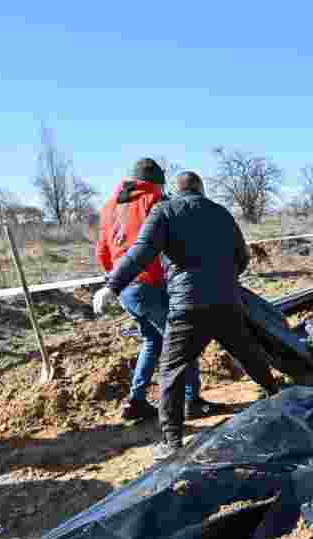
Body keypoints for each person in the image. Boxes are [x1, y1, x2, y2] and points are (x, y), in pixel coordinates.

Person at [93, 171, 280, 460]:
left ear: (176, 191)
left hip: (188, 307)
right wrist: (224, 279)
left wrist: (111, 286)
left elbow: (140, 253)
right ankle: (277, 400)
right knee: (248, 354)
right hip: (226, 303)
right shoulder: (220, 213)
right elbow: (242, 257)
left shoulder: (163, 212)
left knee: (172, 370)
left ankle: (171, 441)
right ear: (201, 190)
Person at [96, 158, 226, 422]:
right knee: (183, 340)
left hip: (123, 287)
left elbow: (102, 250)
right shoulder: (155, 202)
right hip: (149, 283)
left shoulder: (110, 206)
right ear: (157, 182)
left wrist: (116, 281)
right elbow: (169, 242)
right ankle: (191, 401)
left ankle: (136, 402)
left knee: (153, 341)